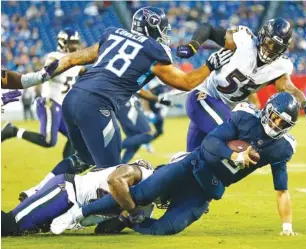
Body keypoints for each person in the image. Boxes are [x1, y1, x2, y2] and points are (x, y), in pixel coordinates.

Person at [2, 7, 229, 179]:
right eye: (162, 29)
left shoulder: (113, 35)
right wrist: (211, 63)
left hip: (72, 100)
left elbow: (70, 59)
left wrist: (27, 79)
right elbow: (187, 82)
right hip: (96, 106)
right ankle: (82, 212)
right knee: (112, 174)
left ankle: (38, 191)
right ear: (153, 28)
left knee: (84, 159)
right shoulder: (153, 51)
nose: (164, 34)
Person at [51, 92, 300, 236]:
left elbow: (281, 188)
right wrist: (236, 156)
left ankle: (128, 221)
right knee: (140, 193)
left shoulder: (281, 148)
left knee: (166, 229)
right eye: (275, 118)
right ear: (267, 110)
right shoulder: (245, 117)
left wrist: (287, 227)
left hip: (209, 187)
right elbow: (211, 143)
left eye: (282, 123)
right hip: (194, 163)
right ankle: (79, 212)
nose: (276, 124)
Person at [176, 18, 306, 151]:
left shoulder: (279, 67)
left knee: (192, 163)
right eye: (269, 42)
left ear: (283, 50)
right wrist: (192, 46)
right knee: (234, 136)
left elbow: (290, 89)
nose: (270, 49)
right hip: (204, 97)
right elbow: (208, 29)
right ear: (262, 36)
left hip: (222, 110)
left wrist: (304, 103)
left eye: (276, 47)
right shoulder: (244, 40)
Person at [1, 159, 154, 236]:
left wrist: (125, 219)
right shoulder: (142, 173)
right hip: (66, 191)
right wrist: (132, 210)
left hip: (70, 214)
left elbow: (103, 230)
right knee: (9, 224)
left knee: (14, 231)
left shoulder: (147, 203)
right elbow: (115, 180)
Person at [2, 28, 84, 163]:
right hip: (50, 102)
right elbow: (48, 69)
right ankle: (12, 131)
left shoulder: (76, 61)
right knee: (48, 141)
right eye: (71, 43)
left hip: (63, 106)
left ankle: (68, 169)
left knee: (76, 136)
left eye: (76, 43)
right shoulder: (55, 56)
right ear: (63, 43)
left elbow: (84, 71)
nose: (74, 47)